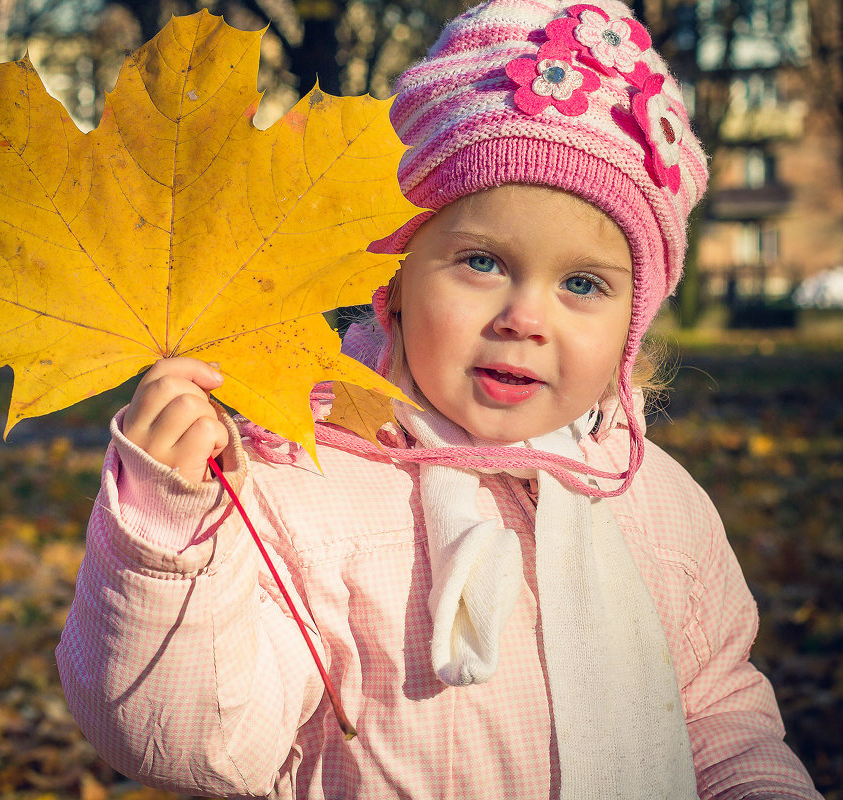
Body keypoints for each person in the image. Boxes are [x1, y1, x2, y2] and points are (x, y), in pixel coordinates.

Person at [56, 0, 822, 797]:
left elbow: (719, 719)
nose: (526, 318)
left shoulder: (659, 504)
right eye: (483, 263)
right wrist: (168, 538)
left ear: (635, 321)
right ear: (394, 281)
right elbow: (194, 742)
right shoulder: (296, 486)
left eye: (583, 283)